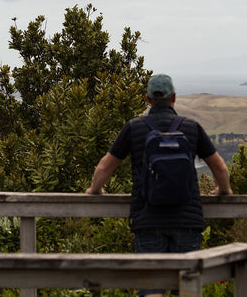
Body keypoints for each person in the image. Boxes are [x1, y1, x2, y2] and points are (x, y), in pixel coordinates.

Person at [86, 74, 232, 297]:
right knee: (187, 290)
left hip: (148, 219)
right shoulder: (191, 127)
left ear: (147, 99)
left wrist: (94, 190)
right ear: (173, 97)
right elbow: (220, 168)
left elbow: (106, 167)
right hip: (187, 221)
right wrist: (224, 190)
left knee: (152, 288)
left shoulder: (134, 128)